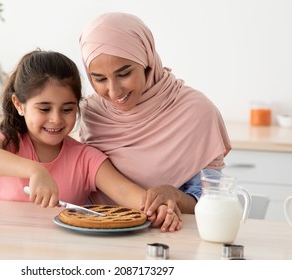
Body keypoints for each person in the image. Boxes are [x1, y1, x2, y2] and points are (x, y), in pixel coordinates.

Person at [0, 49, 181, 231]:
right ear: (19, 105)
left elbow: (125, 192)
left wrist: (160, 210)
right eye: (44, 108)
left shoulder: (85, 158)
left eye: (67, 109)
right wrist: (35, 171)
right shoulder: (10, 143)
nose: (56, 119)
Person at [78, 12, 231, 219]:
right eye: (99, 79)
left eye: (124, 74)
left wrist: (175, 196)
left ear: (147, 61)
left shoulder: (196, 112)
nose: (114, 92)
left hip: (170, 237)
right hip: (96, 232)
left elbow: (212, 201)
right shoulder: (91, 113)